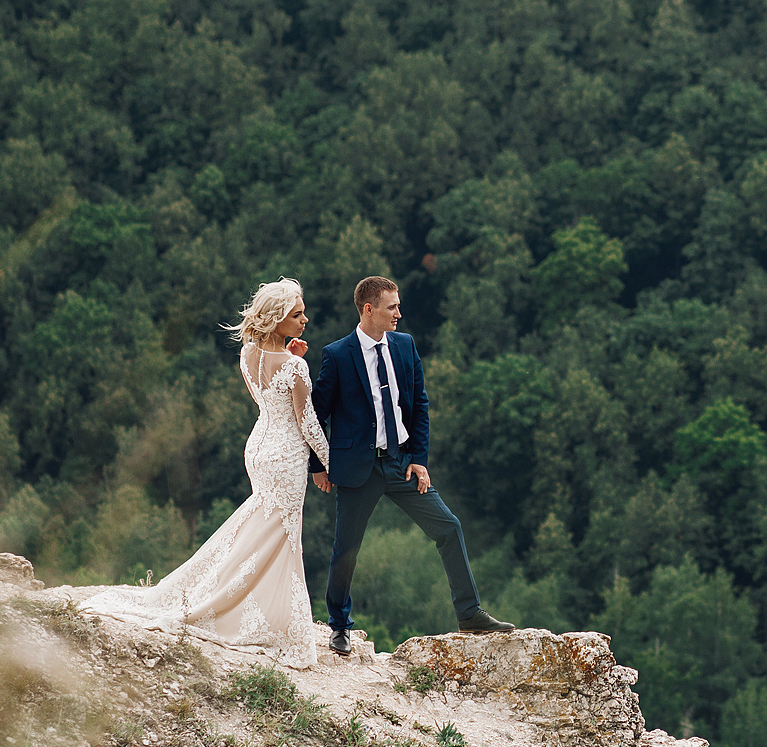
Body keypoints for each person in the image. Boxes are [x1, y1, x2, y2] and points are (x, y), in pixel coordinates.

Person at [77, 279, 331, 668]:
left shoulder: (248, 354)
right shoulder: (296, 366)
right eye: (297, 315)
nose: (305, 320)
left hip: (259, 448)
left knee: (262, 529)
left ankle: (252, 606)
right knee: (281, 535)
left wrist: (288, 356)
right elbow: (307, 424)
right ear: (277, 319)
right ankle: (262, 616)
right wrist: (334, 464)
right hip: (285, 456)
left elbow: (266, 401)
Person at [309, 275, 513, 654]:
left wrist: (419, 459)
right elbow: (315, 413)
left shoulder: (404, 345)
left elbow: (420, 404)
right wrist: (318, 466)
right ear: (369, 310)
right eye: (392, 307)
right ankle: (339, 625)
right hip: (359, 469)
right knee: (346, 549)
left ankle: (469, 613)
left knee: (449, 527)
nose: (399, 314)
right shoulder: (337, 354)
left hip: (400, 464)